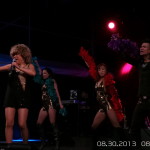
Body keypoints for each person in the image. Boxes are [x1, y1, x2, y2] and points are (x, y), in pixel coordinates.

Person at [108, 34, 150, 149]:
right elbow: (127, 58)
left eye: (144, 47)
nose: (141, 48)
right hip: (141, 102)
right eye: (141, 46)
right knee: (133, 129)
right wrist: (119, 45)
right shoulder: (140, 63)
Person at [79, 47, 124, 143]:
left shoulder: (108, 80)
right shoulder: (97, 79)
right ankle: (95, 146)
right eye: (99, 69)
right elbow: (90, 67)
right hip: (101, 107)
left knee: (116, 126)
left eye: (103, 69)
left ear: (106, 70)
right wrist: (84, 57)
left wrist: (117, 107)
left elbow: (114, 95)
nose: (101, 71)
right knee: (93, 126)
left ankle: (125, 145)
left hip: (108, 106)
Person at [0, 44, 36, 144]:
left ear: (23, 54)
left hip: (23, 97)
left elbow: (33, 73)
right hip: (10, 96)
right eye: (13, 54)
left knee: (22, 124)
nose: (15, 56)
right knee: (9, 123)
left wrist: (19, 68)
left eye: (17, 54)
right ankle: (8, 146)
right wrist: (13, 66)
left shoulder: (30, 66)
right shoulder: (11, 66)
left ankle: (25, 144)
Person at [33, 59, 64, 150]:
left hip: (51, 104)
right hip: (44, 105)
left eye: (45, 73)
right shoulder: (42, 82)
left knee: (53, 123)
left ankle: (57, 143)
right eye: (43, 73)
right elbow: (38, 71)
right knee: (38, 123)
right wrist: (36, 63)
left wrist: (60, 104)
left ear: (49, 74)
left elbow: (57, 93)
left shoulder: (52, 81)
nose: (43, 74)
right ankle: (43, 142)